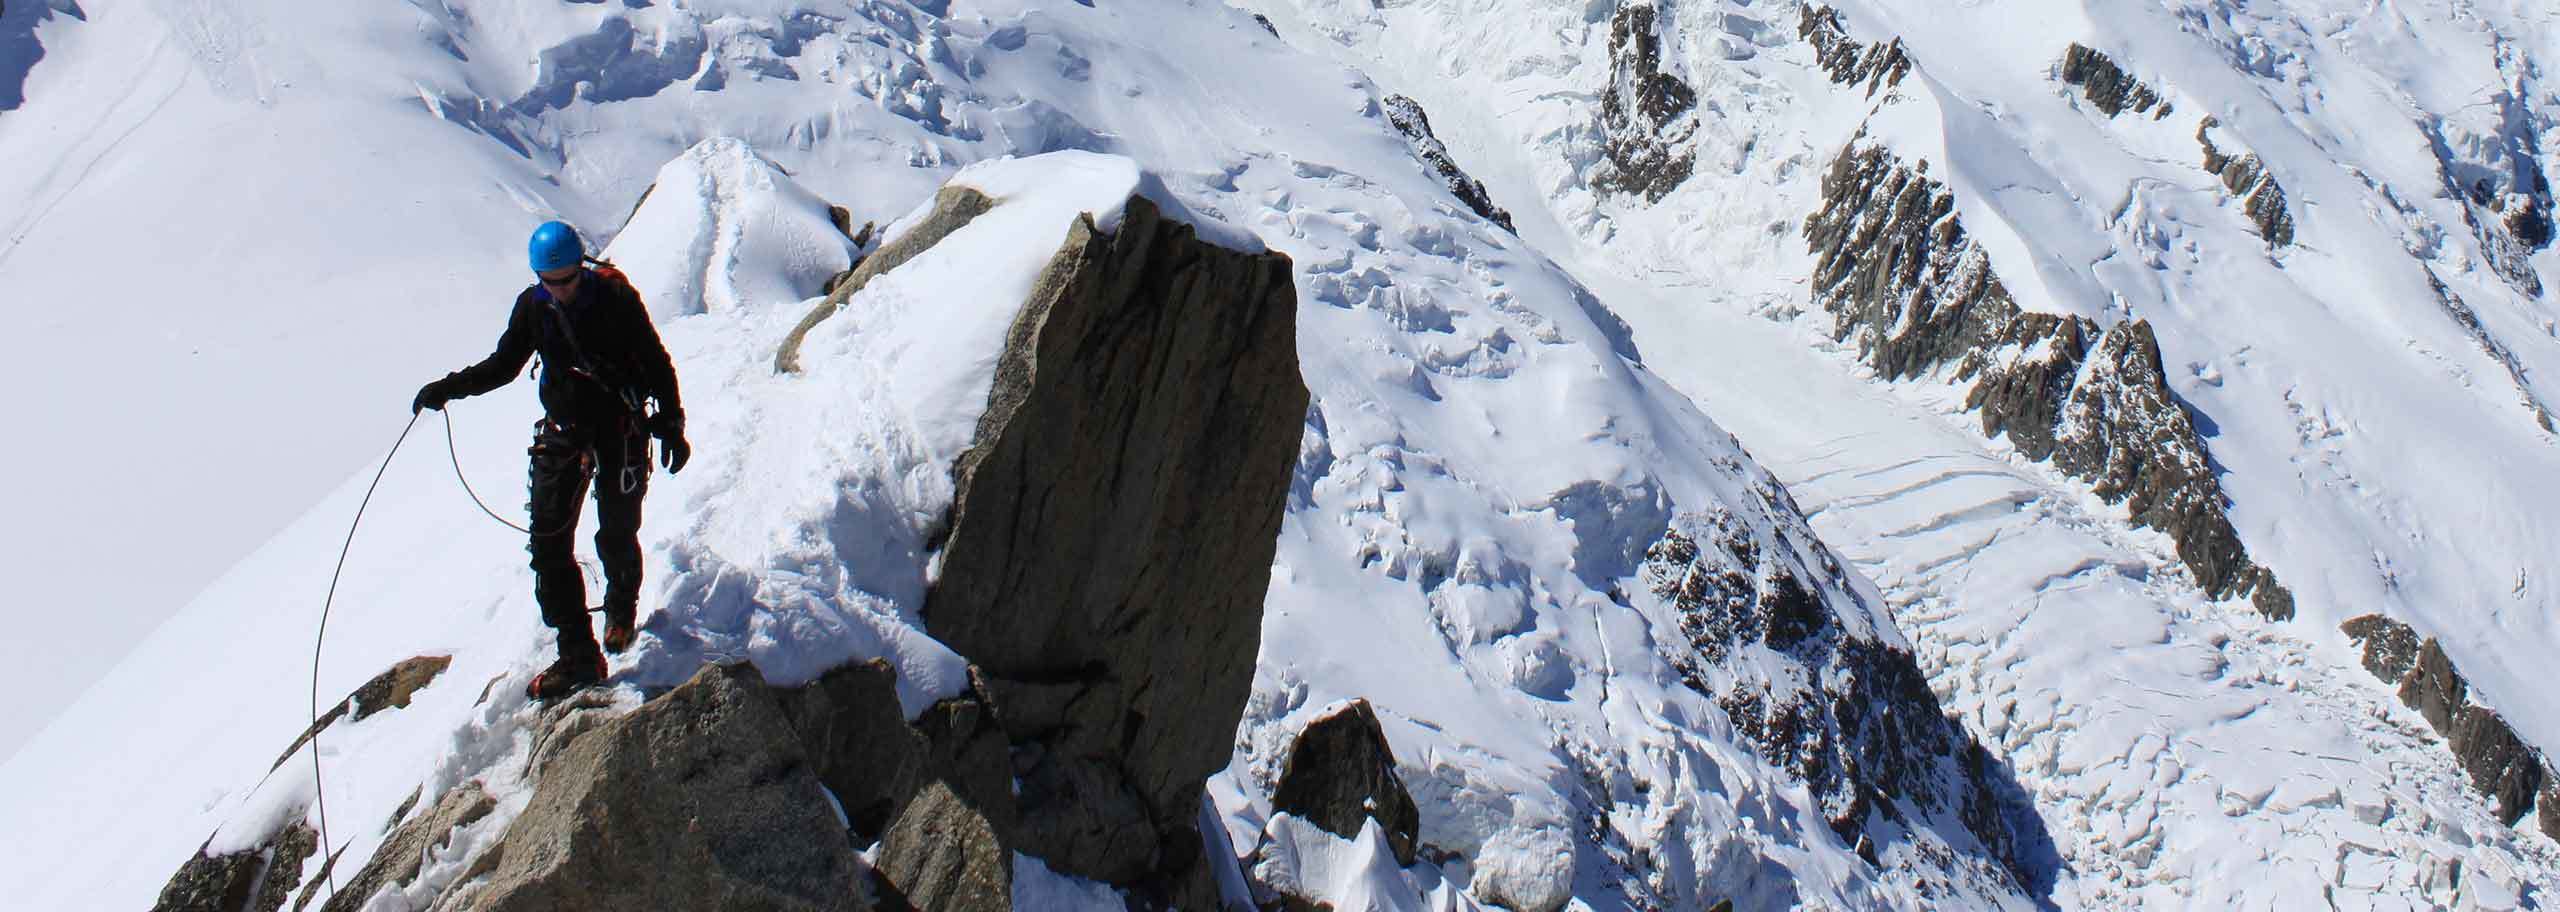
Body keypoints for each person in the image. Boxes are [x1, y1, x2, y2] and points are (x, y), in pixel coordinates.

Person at [412, 221, 692, 699]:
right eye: (551, 280)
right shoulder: (534, 308)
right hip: (566, 428)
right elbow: (504, 365)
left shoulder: (614, 298)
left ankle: (621, 606)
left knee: (617, 529)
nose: (561, 289)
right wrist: (449, 388)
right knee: (547, 545)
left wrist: (671, 422)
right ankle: (579, 655)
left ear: (581, 266)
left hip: (620, 425)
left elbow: (654, 358)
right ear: (539, 275)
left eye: (568, 278)